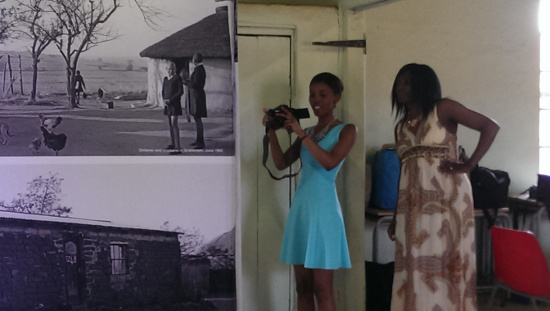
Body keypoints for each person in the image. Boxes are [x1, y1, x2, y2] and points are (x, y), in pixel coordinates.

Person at [386, 63, 500, 311]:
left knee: (447, 263)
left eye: (406, 82)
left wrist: (469, 164)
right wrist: (396, 215)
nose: (400, 87)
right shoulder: (400, 126)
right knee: (413, 265)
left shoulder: (443, 108)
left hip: (448, 200)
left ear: (422, 84)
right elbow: (403, 174)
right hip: (412, 205)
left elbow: (489, 126)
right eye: (398, 82)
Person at [262, 72, 356, 311]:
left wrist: (300, 132)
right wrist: (271, 131)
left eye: (323, 94)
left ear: (336, 98)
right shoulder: (310, 132)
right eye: (312, 94)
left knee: (322, 288)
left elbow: (329, 162)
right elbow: (282, 163)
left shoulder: (346, 130)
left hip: (324, 212)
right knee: (302, 287)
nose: (316, 100)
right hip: (302, 210)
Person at [185, 53, 207, 149]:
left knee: (198, 119)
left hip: (197, 97)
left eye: (193, 59)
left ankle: (201, 142)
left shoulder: (199, 70)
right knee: (197, 119)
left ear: (195, 60)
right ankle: (198, 140)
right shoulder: (199, 69)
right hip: (196, 96)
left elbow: (196, 84)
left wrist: (186, 83)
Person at [162, 62, 184, 155]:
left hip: (174, 104)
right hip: (167, 105)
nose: (170, 71)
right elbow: (163, 91)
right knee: (170, 125)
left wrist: (171, 100)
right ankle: (172, 143)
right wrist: (164, 100)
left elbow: (180, 91)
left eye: (171, 69)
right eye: (168, 69)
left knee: (174, 124)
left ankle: (178, 147)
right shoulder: (166, 79)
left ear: (174, 69)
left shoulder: (177, 78)